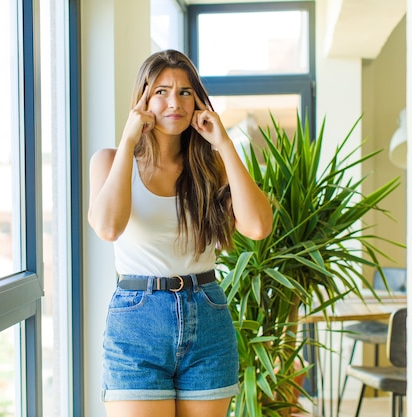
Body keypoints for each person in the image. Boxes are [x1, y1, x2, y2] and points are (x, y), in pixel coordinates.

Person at [88, 49, 273, 417]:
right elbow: (109, 227)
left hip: (206, 314)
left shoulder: (211, 165)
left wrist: (223, 143)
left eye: (185, 92)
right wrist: (128, 141)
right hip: (137, 320)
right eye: (161, 91)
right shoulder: (110, 160)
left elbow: (257, 226)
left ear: (199, 101)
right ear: (142, 99)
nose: (174, 102)